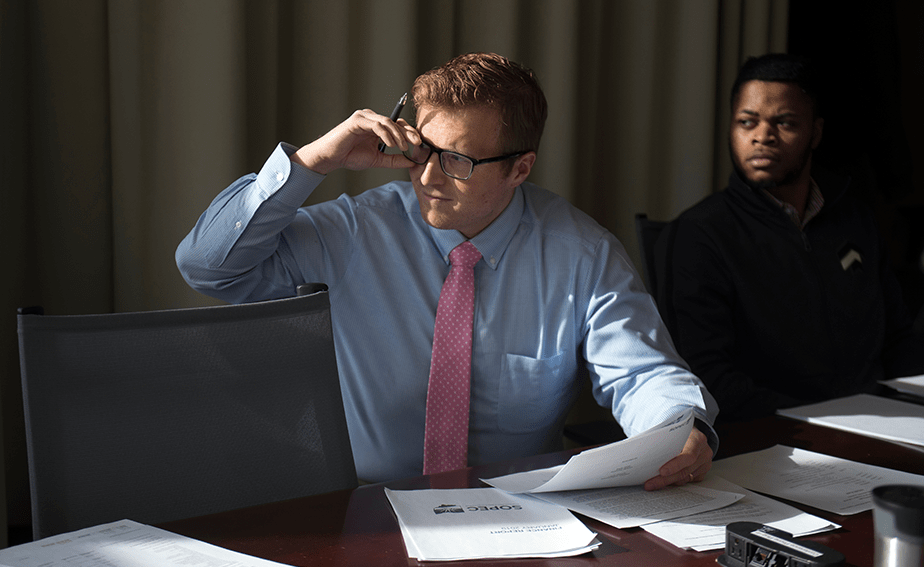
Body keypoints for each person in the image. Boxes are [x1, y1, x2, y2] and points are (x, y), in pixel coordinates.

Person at [176, 52, 718, 486]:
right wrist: (312, 161)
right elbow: (208, 268)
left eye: (457, 160)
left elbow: (642, 373)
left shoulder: (581, 252)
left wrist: (680, 430)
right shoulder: (355, 230)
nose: (429, 177)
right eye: (423, 151)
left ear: (519, 169)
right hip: (360, 510)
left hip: (520, 517)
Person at [655, 53, 924, 421]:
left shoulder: (856, 221)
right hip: (777, 440)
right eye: (747, 122)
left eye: (784, 123)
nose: (762, 136)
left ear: (815, 133)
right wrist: (825, 421)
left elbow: (899, 341)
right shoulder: (698, 235)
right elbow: (708, 378)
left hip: (883, 424)